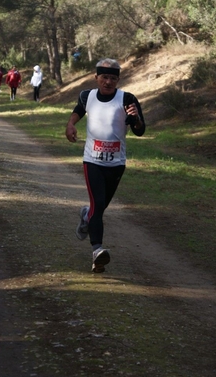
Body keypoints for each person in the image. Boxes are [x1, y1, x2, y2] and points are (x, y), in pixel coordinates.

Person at [65, 58, 145, 273]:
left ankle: (85, 215)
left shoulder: (127, 99)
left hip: (117, 163)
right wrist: (71, 124)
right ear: (96, 77)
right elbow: (79, 110)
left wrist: (135, 118)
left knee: (99, 207)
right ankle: (97, 251)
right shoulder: (87, 96)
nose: (108, 82)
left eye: (112, 78)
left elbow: (139, 130)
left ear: (118, 79)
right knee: (98, 204)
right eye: (104, 77)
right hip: (92, 160)